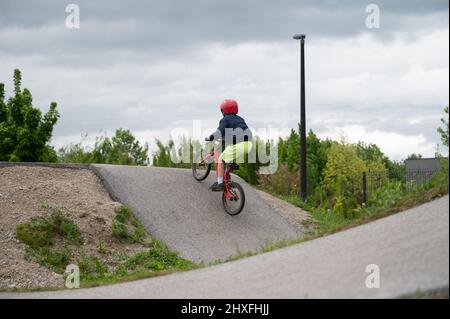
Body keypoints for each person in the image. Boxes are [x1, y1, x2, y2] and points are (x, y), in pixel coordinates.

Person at [206, 99, 253, 191]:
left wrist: (211, 137)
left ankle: (220, 183)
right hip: (248, 144)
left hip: (239, 144)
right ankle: (230, 166)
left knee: (221, 159)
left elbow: (220, 131)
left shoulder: (225, 119)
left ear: (224, 110)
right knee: (230, 149)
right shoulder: (240, 119)